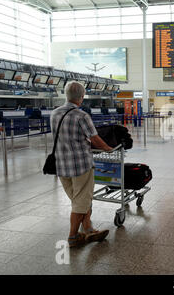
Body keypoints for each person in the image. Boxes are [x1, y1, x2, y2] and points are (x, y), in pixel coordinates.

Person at [51, 82, 113, 248]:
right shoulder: (81, 115)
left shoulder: (54, 113)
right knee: (81, 202)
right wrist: (108, 148)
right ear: (81, 97)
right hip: (80, 166)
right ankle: (72, 237)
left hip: (62, 165)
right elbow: (94, 138)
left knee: (78, 200)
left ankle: (88, 229)